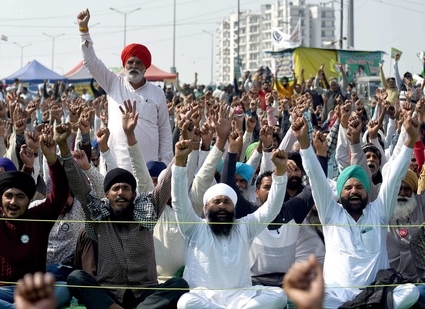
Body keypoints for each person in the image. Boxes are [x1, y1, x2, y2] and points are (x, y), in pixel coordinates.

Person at [66, 100, 188, 308]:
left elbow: (166, 183)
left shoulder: (146, 213)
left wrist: (179, 157)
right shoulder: (99, 215)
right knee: (76, 277)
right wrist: (63, 148)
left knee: (179, 285)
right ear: (107, 194)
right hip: (110, 293)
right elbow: (79, 187)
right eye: (115, 189)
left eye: (126, 188)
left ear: (133, 194)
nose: (121, 193)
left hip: (145, 292)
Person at [293, 114, 420, 308]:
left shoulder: (379, 211)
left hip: (374, 294)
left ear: (367, 192)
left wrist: (410, 140)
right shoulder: (330, 213)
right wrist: (304, 145)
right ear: (340, 192)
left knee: (410, 292)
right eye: (348, 187)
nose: (354, 191)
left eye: (359, 187)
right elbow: (316, 179)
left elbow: (394, 179)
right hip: (336, 296)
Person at [0, 127, 72, 309]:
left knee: (64, 289)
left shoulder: (38, 219)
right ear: (1, 198)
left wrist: (52, 158)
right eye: (8, 195)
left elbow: (60, 194)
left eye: (20, 197)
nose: (13, 201)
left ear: (28, 200)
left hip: (32, 290)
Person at [172, 135, 289, 309]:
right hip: (204, 298)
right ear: (206, 208)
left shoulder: (244, 228)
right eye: (216, 202)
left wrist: (279, 172)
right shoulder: (194, 228)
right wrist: (180, 163)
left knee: (279, 296)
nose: (221, 206)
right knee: (185, 303)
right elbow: (180, 202)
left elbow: (271, 209)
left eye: (226, 203)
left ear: (233, 209)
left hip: (240, 297)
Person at [76, 9, 172, 171]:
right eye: (131, 62)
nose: (134, 66)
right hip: (116, 165)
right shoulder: (114, 83)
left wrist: (164, 164)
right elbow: (91, 62)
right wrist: (84, 31)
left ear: (146, 66)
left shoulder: (157, 93)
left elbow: (164, 131)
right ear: (125, 65)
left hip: (149, 168)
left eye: (139, 62)